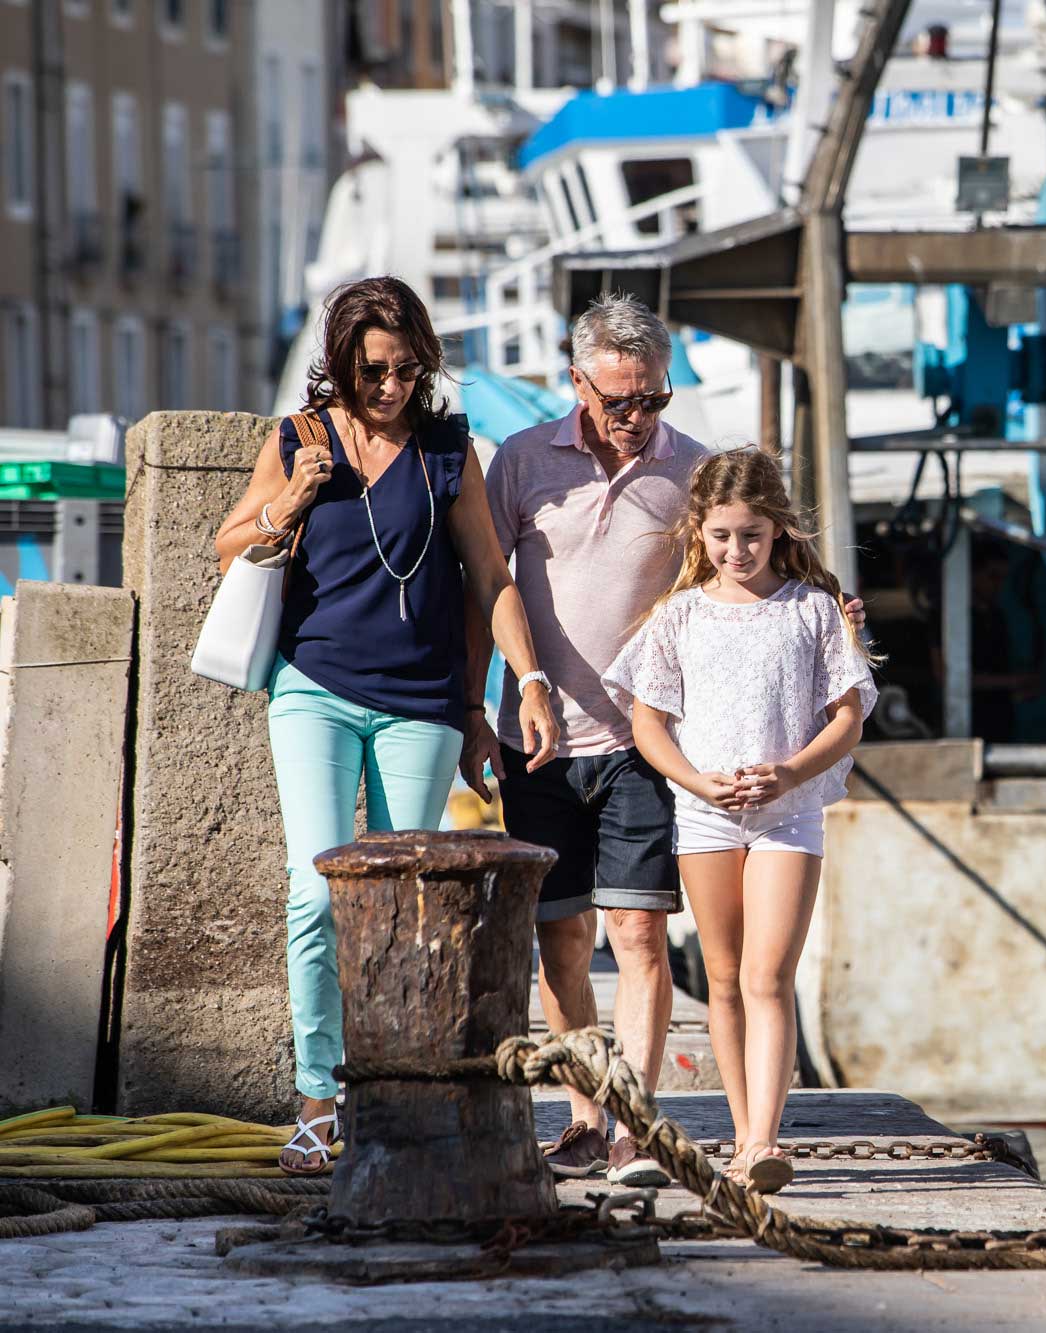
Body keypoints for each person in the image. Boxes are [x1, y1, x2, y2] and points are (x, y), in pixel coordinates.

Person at [458, 294, 866, 1185]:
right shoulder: (523, 463)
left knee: (639, 936)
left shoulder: (691, 469)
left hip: (643, 745)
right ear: (575, 385)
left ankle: (633, 1128)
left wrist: (831, 606)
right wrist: (474, 705)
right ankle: (584, 1112)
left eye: (652, 397)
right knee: (561, 943)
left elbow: (748, 550)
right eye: (618, 400)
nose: (638, 417)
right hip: (540, 737)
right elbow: (489, 585)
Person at [213, 276, 559, 1175]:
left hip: (421, 703)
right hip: (314, 687)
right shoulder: (301, 437)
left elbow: (491, 574)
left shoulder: (449, 449)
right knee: (312, 892)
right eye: (373, 370)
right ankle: (318, 1100)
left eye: (407, 368)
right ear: (341, 364)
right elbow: (227, 541)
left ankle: (396, 1095)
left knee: (411, 905)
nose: (392, 386)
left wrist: (522, 682)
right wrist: (289, 500)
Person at [603, 448, 877, 1194]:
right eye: (722, 534)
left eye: (751, 533)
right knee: (723, 977)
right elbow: (648, 723)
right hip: (705, 816)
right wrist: (696, 781)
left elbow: (847, 716)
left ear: (779, 528)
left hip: (789, 815)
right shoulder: (680, 615)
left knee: (768, 973)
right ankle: (738, 1128)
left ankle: (762, 1139)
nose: (737, 549)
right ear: (699, 531)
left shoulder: (813, 610)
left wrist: (790, 771)